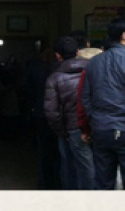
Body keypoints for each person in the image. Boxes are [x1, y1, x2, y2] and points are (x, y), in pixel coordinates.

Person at [81, 18, 125, 190]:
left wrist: (95, 120)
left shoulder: (94, 62)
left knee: (103, 184)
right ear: (124, 35)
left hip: (101, 130)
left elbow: (85, 97)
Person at [44, 36, 94, 189]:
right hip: (96, 126)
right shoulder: (94, 71)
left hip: (71, 129)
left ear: (57, 55)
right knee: (94, 166)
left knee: (70, 168)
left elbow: (52, 112)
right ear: (78, 52)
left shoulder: (54, 78)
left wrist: (62, 132)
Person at [25, 39, 62, 189]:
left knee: (44, 151)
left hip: (41, 111)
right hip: (59, 114)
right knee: (59, 151)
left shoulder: (35, 66)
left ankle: (44, 184)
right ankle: (58, 183)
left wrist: (33, 105)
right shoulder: (61, 67)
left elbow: (27, 88)